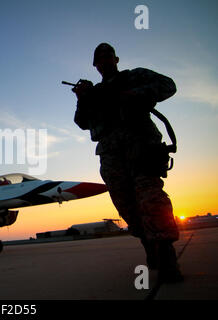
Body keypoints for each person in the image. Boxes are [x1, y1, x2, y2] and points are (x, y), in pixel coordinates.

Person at [72, 43, 183, 283]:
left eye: (107, 56)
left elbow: (168, 86)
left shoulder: (134, 77)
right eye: (98, 58)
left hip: (141, 145)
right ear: (94, 65)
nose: (103, 60)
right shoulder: (94, 93)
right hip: (111, 156)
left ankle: (166, 256)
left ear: (116, 59)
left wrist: (134, 94)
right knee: (127, 207)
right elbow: (82, 122)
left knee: (151, 198)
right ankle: (148, 244)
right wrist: (82, 99)